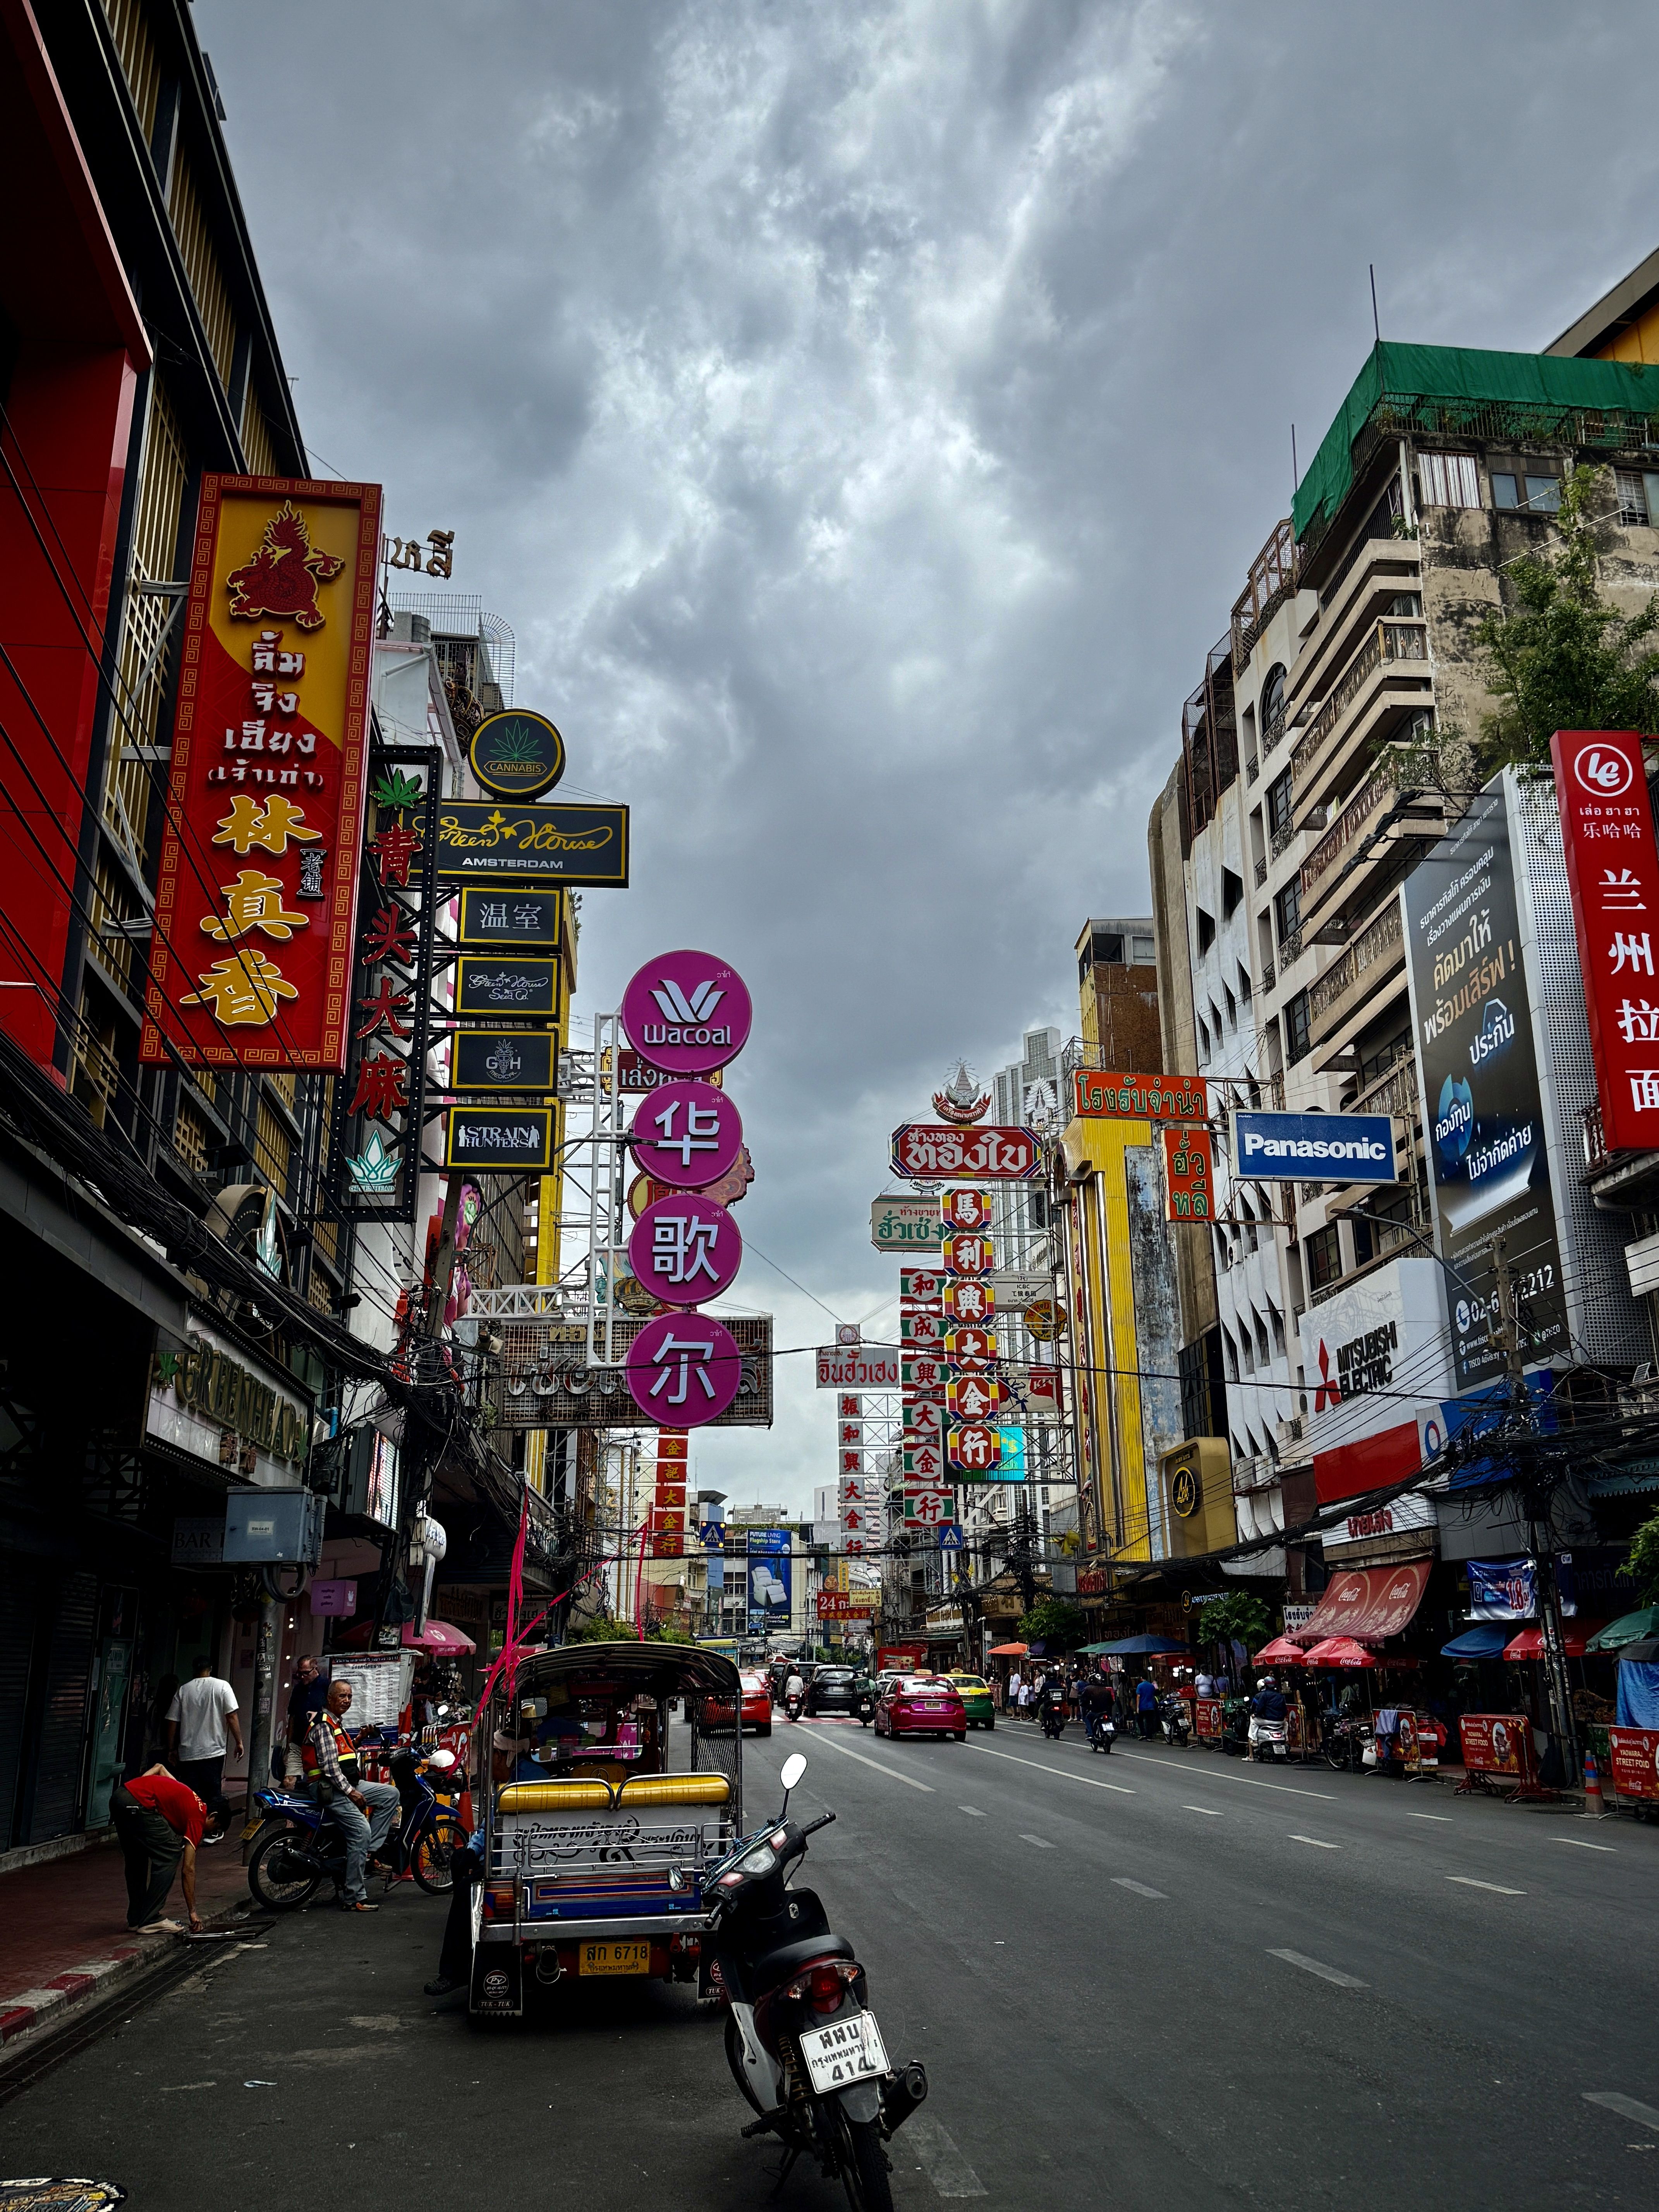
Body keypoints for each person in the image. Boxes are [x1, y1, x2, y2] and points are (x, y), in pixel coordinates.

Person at [303, 1677, 401, 1912]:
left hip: (346, 1783)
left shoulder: (337, 1724)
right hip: (328, 1787)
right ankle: (354, 1897)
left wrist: (359, 1740)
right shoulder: (324, 1725)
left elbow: (343, 1756)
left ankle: (369, 1853)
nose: (347, 1701)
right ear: (330, 1699)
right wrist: (352, 1793)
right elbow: (330, 1769)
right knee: (361, 1832)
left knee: (390, 1795)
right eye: (342, 1696)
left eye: (349, 1697)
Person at [111, 1760, 206, 1934]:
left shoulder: (183, 1792)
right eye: (214, 1830)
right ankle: (151, 1919)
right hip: (136, 1802)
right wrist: (192, 1911)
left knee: (137, 1858)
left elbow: (159, 1767)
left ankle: (136, 1919)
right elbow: (188, 1869)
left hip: (120, 1795)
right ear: (214, 1817)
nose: (206, 1834)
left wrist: (138, 1787)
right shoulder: (199, 1814)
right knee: (170, 1854)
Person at [165, 1657, 243, 1842]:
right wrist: (239, 1741)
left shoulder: (184, 1690)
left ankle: (192, 1832)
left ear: (194, 1669)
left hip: (188, 1753)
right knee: (213, 1794)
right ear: (211, 1668)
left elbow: (172, 1721)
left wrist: (172, 1748)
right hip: (213, 1752)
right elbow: (232, 1716)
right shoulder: (222, 1687)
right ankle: (213, 1831)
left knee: (191, 1796)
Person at [284, 1655, 328, 1786]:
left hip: (318, 1744)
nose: (302, 1677)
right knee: (289, 1781)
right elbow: (292, 1718)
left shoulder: (326, 1686)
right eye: (299, 1673)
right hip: (298, 1742)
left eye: (306, 1673)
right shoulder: (298, 1689)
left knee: (319, 1782)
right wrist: (289, 1745)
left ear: (315, 1669)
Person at [1135, 1674, 1158, 1739]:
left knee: (1140, 1720)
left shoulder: (1140, 1686)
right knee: (1149, 1721)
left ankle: (1143, 1734)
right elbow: (1153, 1694)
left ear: (1141, 1678)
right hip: (1151, 1706)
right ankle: (1149, 1736)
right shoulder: (1151, 1686)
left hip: (1142, 1706)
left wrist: (1137, 1707)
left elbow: (1138, 1696)